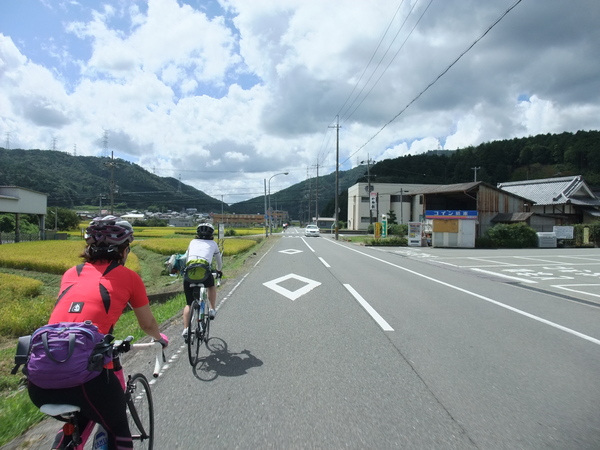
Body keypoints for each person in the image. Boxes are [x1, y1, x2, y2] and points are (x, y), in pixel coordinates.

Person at [27, 215, 168, 450]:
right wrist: (159, 339)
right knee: (118, 431)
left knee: (78, 423)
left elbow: (70, 320)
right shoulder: (129, 277)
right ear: (124, 250)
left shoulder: (71, 273)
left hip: (38, 379)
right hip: (87, 378)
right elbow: (147, 324)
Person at [182, 222, 223, 341]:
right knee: (211, 286)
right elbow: (219, 262)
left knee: (189, 304)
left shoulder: (192, 242)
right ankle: (211, 309)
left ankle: (185, 329)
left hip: (189, 273)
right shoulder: (213, 244)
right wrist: (219, 271)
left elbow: (187, 258)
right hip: (204, 273)